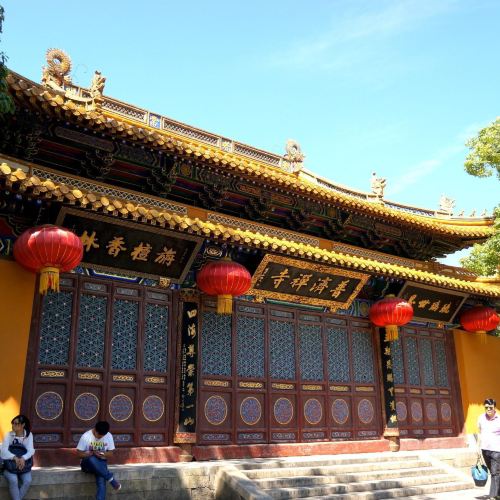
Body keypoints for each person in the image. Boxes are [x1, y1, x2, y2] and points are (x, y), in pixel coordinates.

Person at [76, 421, 121, 499]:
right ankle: (111, 479)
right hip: (87, 465)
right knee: (92, 458)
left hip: (101, 462)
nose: (101, 437)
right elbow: (79, 454)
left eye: (103, 436)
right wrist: (90, 454)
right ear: (95, 430)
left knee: (101, 478)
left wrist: (102, 454)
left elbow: (110, 453)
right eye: (99, 436)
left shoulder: (108, 436)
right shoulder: (86, 436)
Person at [0, 415, 35, 500]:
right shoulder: (9, 435)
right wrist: (15, 458)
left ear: (23, 425)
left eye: (16, 424)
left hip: (23, 465)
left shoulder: (29, 435)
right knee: (13, 480)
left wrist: (23, 458)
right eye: (12, 423)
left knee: (27, 480)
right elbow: (3, 451)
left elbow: (31, 450)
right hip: (9, 465)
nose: (13, 425)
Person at [478, 398, 500, 499]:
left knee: (495, 472)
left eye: (490, 407)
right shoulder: (481, 418)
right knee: (493, 472)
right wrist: (478, 447)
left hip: (497, 450)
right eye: (486, 407)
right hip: (485, 449)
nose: (488, 409)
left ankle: (493, 496)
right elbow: (479, 433)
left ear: (494, 407)